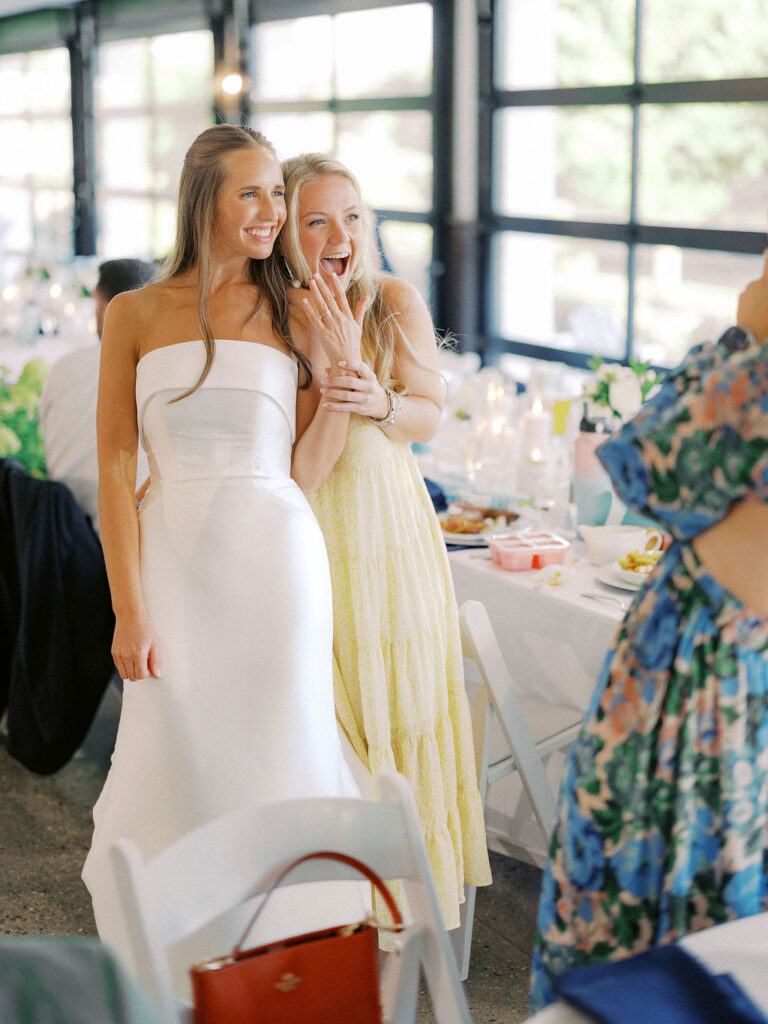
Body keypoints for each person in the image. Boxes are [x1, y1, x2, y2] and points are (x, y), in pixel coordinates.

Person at [82, 126, 364, 994]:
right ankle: (177, 964)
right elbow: (117, 465)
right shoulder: (132, 313)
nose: (272, 213)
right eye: (253, 194)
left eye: (278, 195)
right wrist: (129, 607)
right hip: (171, 560)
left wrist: (340, 372)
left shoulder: (298, 307)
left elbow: (304, 473)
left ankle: (287, 969)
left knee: (279, 740)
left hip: (277, 558)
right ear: (204, 198)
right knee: (178, 748)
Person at [529, 251, 768, 1010]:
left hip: (705, 678)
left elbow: (644, 464)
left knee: (668, 948)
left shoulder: (755, 348)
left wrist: (752, 316)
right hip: (713, 663)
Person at [280, 153, 492, 930]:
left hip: (388, 536)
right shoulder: (272, 312)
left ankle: (407, 905)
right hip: (305, 534)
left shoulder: (391, 301)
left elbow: (429, 417)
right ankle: (337, 909)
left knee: (399, 709)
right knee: (323, 715)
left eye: (353, 216)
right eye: (317, 220)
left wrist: (378, 401)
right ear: (284, 234)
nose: (340, 234)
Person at [38, 259, 153, 530]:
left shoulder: (64, 368)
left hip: (62, 531)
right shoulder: (159, 369)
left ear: (102, 305)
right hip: (135, 529)